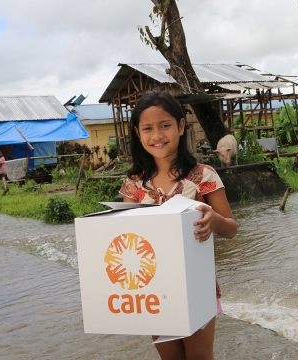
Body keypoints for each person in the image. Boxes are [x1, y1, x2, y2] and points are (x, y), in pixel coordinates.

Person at [119, 91, 237, 360]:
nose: (157, 135)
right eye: (147, 128)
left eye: (165, 125)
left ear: (181, 126)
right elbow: (123, 236)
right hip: (151, 287)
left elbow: (231, 228)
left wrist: (214, 220)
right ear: (138, 133)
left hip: (197, 283)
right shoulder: (134, 183)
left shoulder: (204, 175)